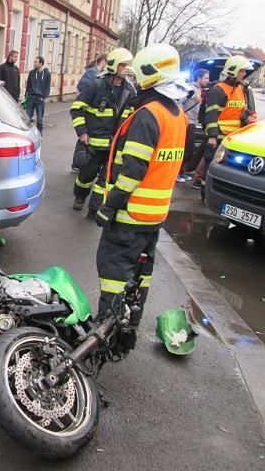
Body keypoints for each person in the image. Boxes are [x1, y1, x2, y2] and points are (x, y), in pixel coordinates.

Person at [93, 43, 189, 353]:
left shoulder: (149, 115)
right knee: (140, 277)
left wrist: (109, 205)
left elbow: (133, 171)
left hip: (130, 216)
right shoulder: (178, 116)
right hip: (154, 216)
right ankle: (129, 327)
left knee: (113, 274)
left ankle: (104, 337)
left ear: (149, 74)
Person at [70, 47, 136, 219]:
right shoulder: (96, 85)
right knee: (86, 176)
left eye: (128, 65)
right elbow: (76, 109)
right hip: (94, 143)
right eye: (123, 65)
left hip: (115, 145)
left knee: (105, 181)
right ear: (114, 66)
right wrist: (82, 133)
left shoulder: (130, 91)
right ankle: (80, 195)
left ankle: (94, 208)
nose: (127, 69)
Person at [193, 55, 255, 191]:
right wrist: (212, 136)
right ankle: (205, 192)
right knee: (210, 166)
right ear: (233, 71)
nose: (244, 74)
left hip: (234, 139)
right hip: (219, 137)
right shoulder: (218, 90)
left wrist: (247, 115)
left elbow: (238, 110)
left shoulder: (241, 89)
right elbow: (211, 115)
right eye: (242, 71)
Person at [177, 68, 209, 182]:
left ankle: (182, 172)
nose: (208, 80)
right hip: (187, 122)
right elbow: (179, 102)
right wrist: (182, 117)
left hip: (192, 122)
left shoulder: (199, 90)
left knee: (188, 150)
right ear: (198, 78)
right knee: (187, 149)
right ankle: (178, 173)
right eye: (206, 78)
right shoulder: (191, 89)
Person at [25, 56, 51, 135]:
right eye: (34, 62)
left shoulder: (47, 74)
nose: (34, 63)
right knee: (28, 117)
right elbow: (28, 85)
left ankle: (40, 135)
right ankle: (28, 134)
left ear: (41, 63)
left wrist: (44, 97)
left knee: (39, 119)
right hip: (31, 98)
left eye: (36, 62)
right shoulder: (32, 73)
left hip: (40, 99)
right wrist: (26, 95)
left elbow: (47, 86)